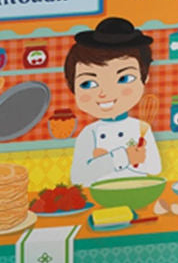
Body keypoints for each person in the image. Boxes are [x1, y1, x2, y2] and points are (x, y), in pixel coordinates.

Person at [64, 17, 161, 186]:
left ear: (145, 78)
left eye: (124, 78)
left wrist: (140, 157)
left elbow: (155, 168)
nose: (105, 93)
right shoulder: (89, 133)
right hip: (101, 196)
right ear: (73, 86)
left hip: (138, 190)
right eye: (89, 83)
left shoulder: (142, 128)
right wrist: (120, 157)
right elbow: (78, 177)